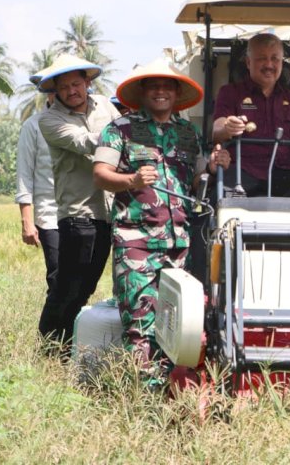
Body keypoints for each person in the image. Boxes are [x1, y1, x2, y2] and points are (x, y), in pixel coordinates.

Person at [92, 58, 229, 379]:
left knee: (177, 322)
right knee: (141, 322)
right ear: (142, 92)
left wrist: (211, 166)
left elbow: (195, 182)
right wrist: (132, 181)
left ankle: (171, 387)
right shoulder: (119, 129)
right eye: (153, 86)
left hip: (179, 244)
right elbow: (100, 174)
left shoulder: (188, 132)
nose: (160, 91)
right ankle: (146, 398)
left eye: (167, 86)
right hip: (135, 242)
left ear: (176, 92)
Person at [37, 54, 121, 351]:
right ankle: (50, 346)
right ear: (56, 91)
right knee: (69, 287)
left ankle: (65, 344)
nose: (72, 91)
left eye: (77, 84)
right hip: (79, 214)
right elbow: (85, 142)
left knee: (87, 286)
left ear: (87, 82)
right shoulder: (50, 119)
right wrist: (126, 133)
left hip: (111, 212)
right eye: (64, 87)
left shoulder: (106, 106)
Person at [212, 32, 290, 198]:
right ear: (248, 62)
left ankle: (284, 209)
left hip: (284, 175)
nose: (269, 64)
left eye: (275, 59)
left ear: (282, 63)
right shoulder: (229, 93)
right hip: (243, 174)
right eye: (262, 58)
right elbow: (217, 132)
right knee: (220, 195)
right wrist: (228, 128)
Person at [16, 88, 59, 296]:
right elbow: (25, 175)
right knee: (57, 274)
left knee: (84, 277)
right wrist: (27, 221)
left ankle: (78, 324)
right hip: (50, 215)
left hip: (85, 213)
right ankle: (54, 328)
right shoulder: (33, 126)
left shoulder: (88, 123)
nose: (63, 93)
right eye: (56, 89)